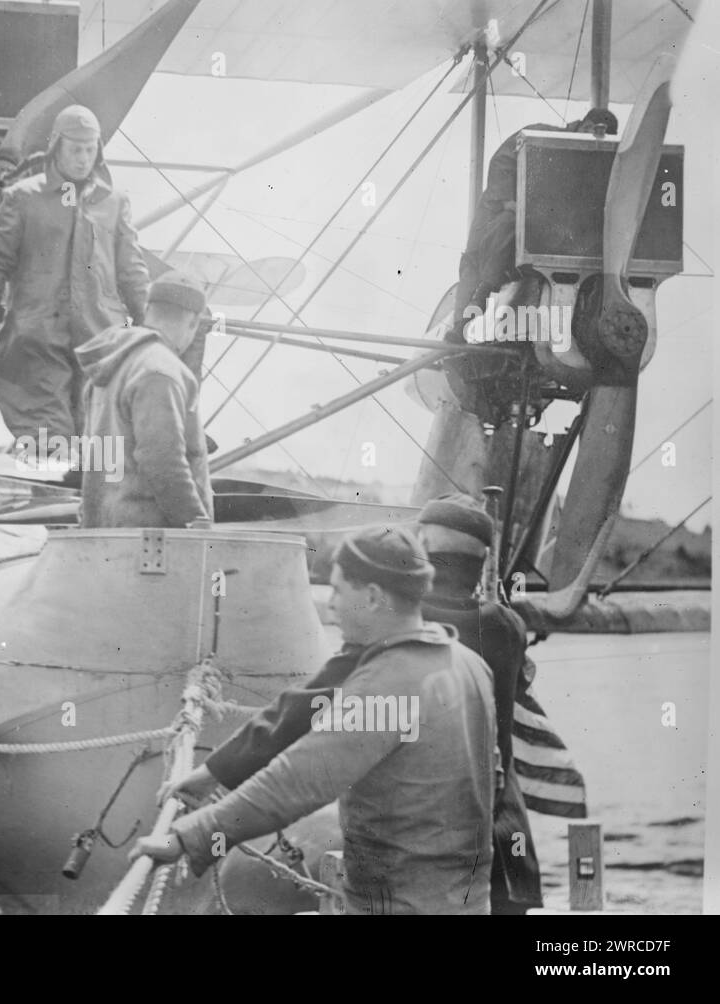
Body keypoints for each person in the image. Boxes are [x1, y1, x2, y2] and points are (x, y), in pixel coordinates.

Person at [134, 525, 498, 915]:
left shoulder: (385, 685)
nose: (332, 606)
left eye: (340, 591)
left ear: (373, 597)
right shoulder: (469, 665)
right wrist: (213, 774)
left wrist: (189, 836)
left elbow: (296, 781)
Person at [0, 104, 151, 443]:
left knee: (99, 450)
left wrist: (153, 328)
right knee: (47, 441)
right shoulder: (22, 198)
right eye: (75, 149)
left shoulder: (115, 203)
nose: (83, 158)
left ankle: (86, 496)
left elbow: (132, 271)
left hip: (102, 347)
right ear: (57, 146)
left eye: (90, 149)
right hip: (36, 345)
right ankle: (49, 488)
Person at [415, 492, 543, 914]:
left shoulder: (406, 622)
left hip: (428, 852)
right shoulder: (508, 627)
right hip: (507, 846)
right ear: (483, 562)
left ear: (423, 551)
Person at [446, 107, 619, 412]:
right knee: (481, 259)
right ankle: (464, 323)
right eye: (595, 131)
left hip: (546, 237)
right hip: (503, 215)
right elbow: (501, 162)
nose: (596, 138)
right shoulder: (539, 134)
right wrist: (512, 202)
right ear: (585, 124)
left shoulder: (596, 162)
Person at [74, 270, 213, 529]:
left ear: (148, 309)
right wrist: (195, 522)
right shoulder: (162, 370)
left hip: (104, 533)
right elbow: (162, 460)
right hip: (150, 546)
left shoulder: (111, 363)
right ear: (193, 322)